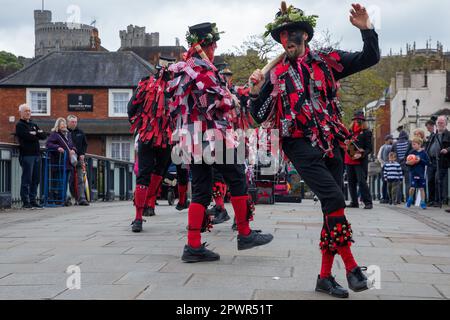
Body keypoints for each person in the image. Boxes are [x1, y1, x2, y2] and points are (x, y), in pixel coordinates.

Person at [249, 2, 380, 298]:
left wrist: (367, 30)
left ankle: (324, 277)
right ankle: (352, 268)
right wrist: (255, 91)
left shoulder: (327, 60)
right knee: (335, 197)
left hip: (331, 139)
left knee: (329, 210)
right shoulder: (274, 75)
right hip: (298, 143)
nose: (287, 40)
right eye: (282, 36)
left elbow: (370, 57)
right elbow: (257, 115)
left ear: (305, 36)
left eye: (292, 34)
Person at [168, 22, 274, 263]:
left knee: (203, 189)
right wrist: (233, 100)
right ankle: (245, 233)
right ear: (210, 44)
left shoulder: (185, 67)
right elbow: (218, 101)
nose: (215, 49)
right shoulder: (201, 67)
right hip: (210, 136)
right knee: (237, 176)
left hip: (191, 138)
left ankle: (193, 246)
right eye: (214, 44)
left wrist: (237, 93)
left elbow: (213, 94)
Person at [127, 56, 178, 232]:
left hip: (148, 135)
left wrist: (140, 124)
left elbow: (131, 108)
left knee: (145, 173)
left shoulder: (145, 84)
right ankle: (147, 204)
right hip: (164, 136)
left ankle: (139, 217)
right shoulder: (176, 88)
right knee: (159, 171)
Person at [15, 104, 47, 209]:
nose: (28, 113)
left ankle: (33, 200)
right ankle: (25, 201)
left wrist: (35, 133)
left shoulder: (33, 123)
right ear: (20, 112)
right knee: (27, 179)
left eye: (29, 111)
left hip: (37, 155)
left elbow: (43, 136)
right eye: (25, 111)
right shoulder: (19, 125)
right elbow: (26, 137)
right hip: (27, 155)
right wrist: (35, 134)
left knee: (36, 179)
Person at [46, 118, 77, 206]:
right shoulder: (55, 134)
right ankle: (58, 198)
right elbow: (48, 144)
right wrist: (57, 147)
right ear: (58, 126)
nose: (63, 125)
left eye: (64, 124)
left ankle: (63, 198)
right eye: (61, 124)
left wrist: (73, 150)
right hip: (58, 162)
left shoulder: (68, 134)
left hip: (68, 162)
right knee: (59, 181)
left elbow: (73, 145)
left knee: (66, 181)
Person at [345, 111, 373, 210]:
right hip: (349, 159)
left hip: (360, 161)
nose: (358, 121)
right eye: (356, 119)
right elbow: (346, 142)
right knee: (351, 182)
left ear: (363, 120)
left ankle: (368, 202)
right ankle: (354, 201)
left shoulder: (367, 132)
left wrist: (361, 154)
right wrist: (347, 142)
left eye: (360, 120)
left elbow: (369, 148)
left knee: (362, 181)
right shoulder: (350, 132)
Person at [67, 115, 89, 206]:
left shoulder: (80, 132)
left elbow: (85, 144)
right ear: (68, 122)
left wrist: (83, 154)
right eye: (72, 122)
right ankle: (71, 198)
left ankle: (81, 199)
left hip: (79, 158)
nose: (74, 123)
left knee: (80, 179)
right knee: (70, 179)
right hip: (68, 159)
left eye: (75, 122)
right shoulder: (65, 132)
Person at [405, 137, 430, 210]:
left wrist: (420, 160)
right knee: (412, 188)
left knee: (421, 188)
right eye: (412, 144)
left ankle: (422, 202)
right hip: (413, 173)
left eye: (414, 144)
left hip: (421, 174)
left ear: (419, 144)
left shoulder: (424, 153)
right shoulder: (411, 152)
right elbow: (407, 162)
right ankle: (410, 199)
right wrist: (408, 163)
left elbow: (428, 163)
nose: (413, 146)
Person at [433, 116, 450, 206]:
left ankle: (441, 200)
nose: (440, 124)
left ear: (446, 124)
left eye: (442, 123)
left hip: (444, 161)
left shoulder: (448, 134)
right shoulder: (435, 135)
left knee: (440, 180)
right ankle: (436, 200)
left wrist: (447, 150)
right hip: (434, 161)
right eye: (438, 123)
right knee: (435, 180)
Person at [392, 130, 411, 202]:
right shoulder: (409, 143)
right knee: (408, 182)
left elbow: (392, 153)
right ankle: (408, 199)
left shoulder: (395, 144)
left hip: (398, 166)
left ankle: (398, 199)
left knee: (398, 182)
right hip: (407, 165)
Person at [378, 135, 394, 203]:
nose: (391, 140)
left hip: (387, 166)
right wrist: (385, 164)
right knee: (385, 182)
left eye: (391, 139)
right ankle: (385, 197)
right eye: (390, 139)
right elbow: (379, 157)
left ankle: (387, 197)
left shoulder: (391, 146)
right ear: (386, 140)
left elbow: (379, 157)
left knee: (388, 182)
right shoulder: (383, 147)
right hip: (386, 166)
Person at [425, 119, 438, 206]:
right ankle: (431, 199)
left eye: (429, 128)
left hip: (436, 160)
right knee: (430, 181)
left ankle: (436, 199)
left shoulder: (437, 135)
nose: (428, 129)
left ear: (433, 126)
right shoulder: (431, 136)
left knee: (436, 180)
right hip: (430, 161)